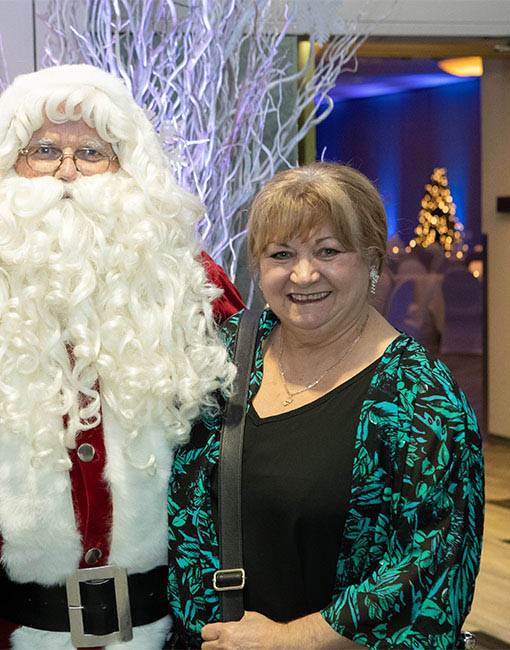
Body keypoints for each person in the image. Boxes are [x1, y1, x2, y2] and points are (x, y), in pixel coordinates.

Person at [0, 64, 244, 649]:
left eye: (91, 151)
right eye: (42, 150)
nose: (66, 171)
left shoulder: (192, 287)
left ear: (128, 166)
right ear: (7, 164)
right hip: (6, 630)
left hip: (163, 628)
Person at [168, 162, 484, 649]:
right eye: (281, 254)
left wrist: (291, 639)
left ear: (373, 258)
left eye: (328, 251)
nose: (303, 273)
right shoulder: (223, 356)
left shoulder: (421, 396)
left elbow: (430, 570)